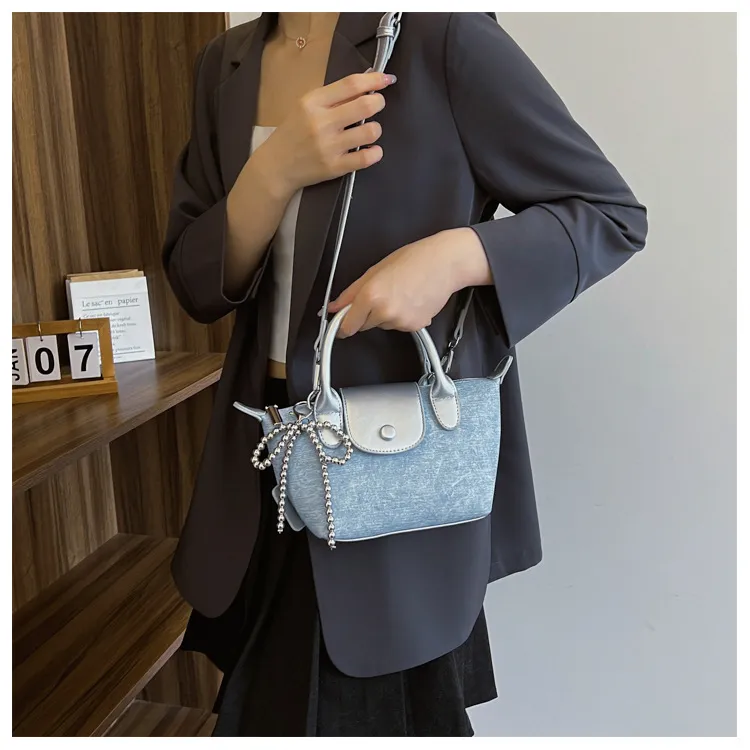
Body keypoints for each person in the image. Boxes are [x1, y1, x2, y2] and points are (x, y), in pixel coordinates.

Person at [161, 11, 648, 737]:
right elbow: (198, 284)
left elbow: (609, 216)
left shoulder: (440, 35)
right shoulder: (225, 63)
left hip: (389, 471)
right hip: (264, 466)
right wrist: (274, 169)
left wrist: (453, 258)